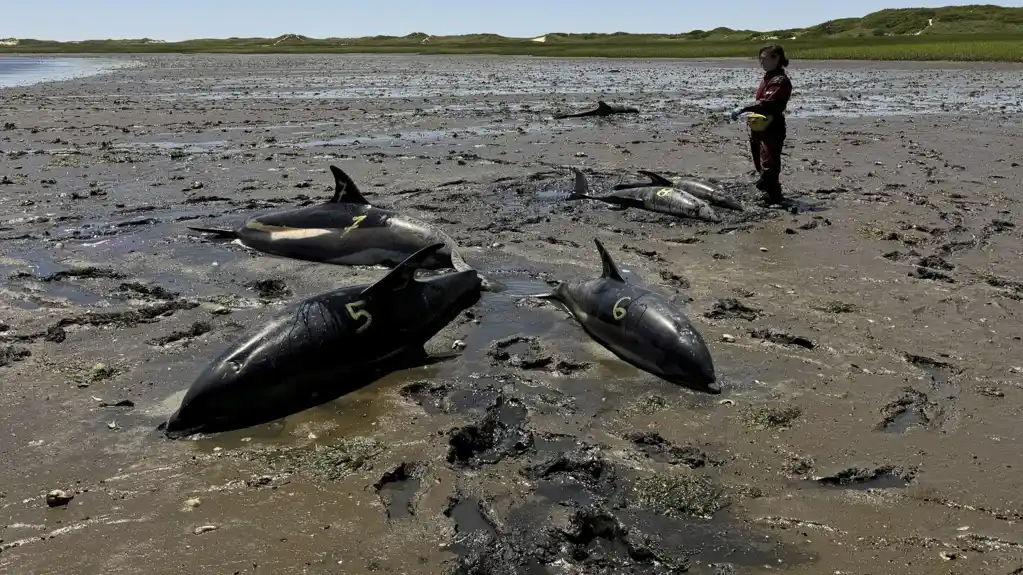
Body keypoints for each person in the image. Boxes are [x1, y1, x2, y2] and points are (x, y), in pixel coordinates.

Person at [730, 45, 793, 204]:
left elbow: (768, 103)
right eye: (760, 59)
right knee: (759, 161)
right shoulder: (768, 77)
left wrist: (745, 107)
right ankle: (769, 193)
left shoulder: (779, 81)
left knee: (769, 163)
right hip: (759, 126)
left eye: (764, 59)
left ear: (776, 58)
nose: (761, 62)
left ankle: (774, 196)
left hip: (772, 126)